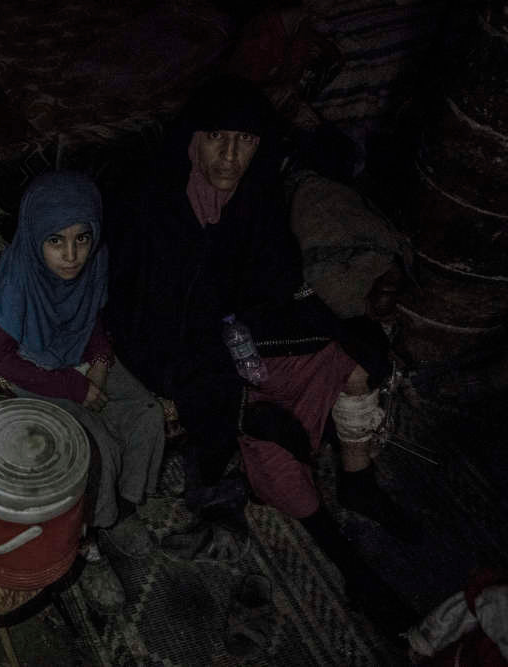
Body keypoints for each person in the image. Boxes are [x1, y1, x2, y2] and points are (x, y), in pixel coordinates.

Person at [105, 75, 417, 636]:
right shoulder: (151, 204)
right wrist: (217, 362)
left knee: (352, 360)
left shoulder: (255, 200)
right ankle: (345, 558)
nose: (230, 155)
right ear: (193, 141)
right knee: (265, 437)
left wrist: (331, 326)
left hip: (240, 340)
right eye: (218, 138)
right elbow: (131, 306)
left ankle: (357, 479)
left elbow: (274, 288)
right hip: (178, 354)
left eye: (245, 141)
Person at [0, 170, 166, 611]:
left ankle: (121, 510)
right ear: (34, 238)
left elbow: (93, 323)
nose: (71, 255)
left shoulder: (96, 260)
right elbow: (2, 358)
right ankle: (87, 544)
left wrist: (101, 366)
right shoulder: (17, 281)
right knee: (93, 445)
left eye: (82, 238)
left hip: (80, 356)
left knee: (146, 412)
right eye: (56, 241)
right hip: (34, 368)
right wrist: (75, 386)